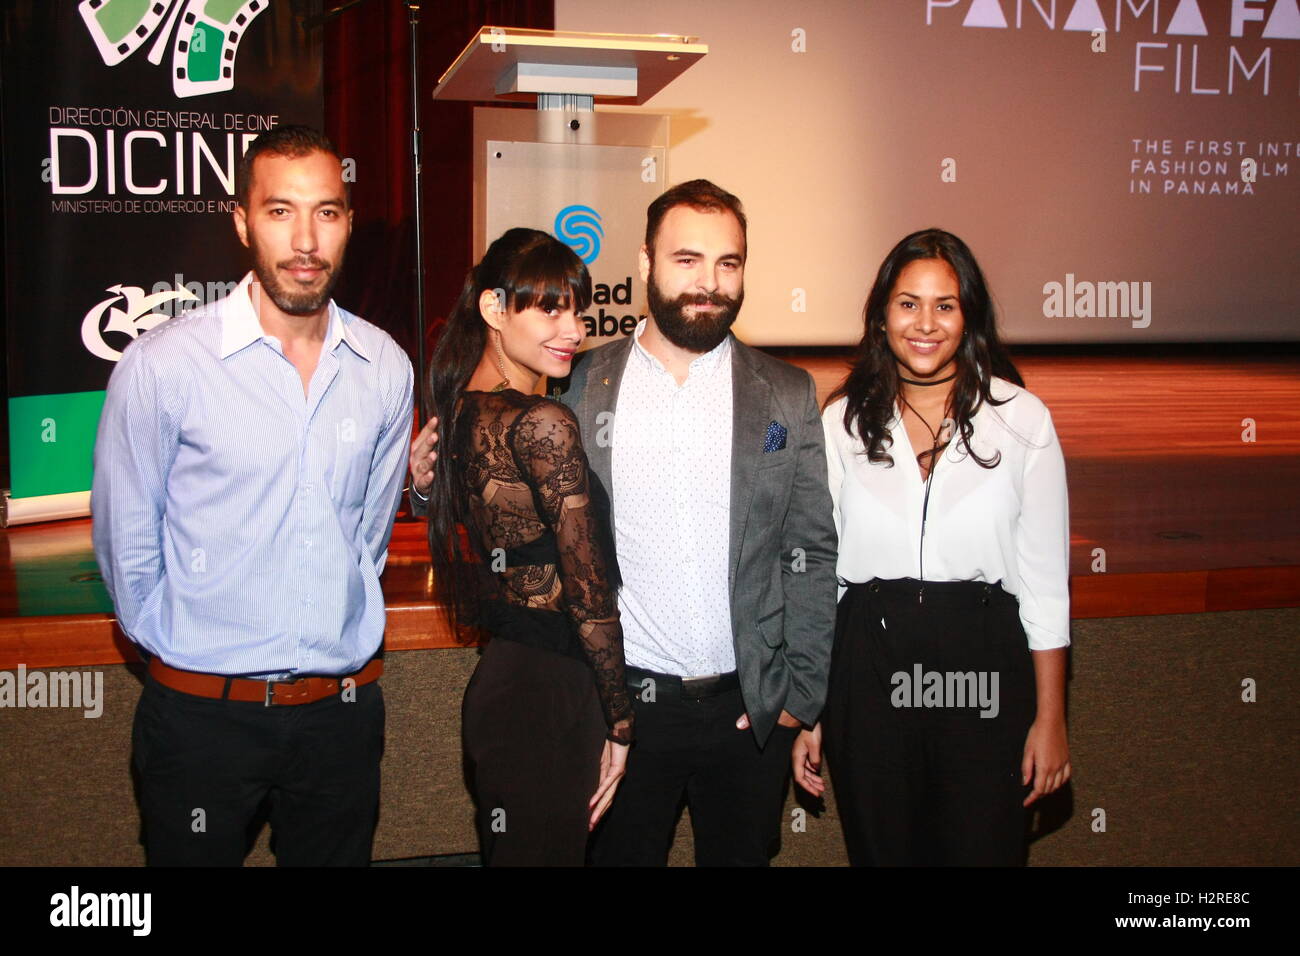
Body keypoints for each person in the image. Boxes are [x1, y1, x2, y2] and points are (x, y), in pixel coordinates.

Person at [411, 180, 838, 866]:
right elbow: (503, 499)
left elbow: (811, 550)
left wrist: (802, 696)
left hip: (748, 713)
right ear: (645, 263)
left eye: (728, 263)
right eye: (687, 259)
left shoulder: (786, 393)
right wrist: (428, 486)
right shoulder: (574, 383)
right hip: (620, 706)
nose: (709, 282)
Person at [92, 125, 414, 866]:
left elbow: (363, 540)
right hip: (201, 721)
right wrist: (192, 667)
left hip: (340, 720)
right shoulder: (163, 367)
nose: (305, 239)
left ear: (348, 223)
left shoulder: (384, 368)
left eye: (327, 212)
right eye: (279, 211)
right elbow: (125, 546)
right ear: (242, 222)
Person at [796, 228, 1071, 866]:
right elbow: (822, 578)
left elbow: (1047, 585)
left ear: (969, 315)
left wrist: (1051, 719)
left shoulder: (1023, 419)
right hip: (868, 668)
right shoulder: (839, 423)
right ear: (881, 316)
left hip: (983, 668)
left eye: (945, 304)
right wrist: (809, 710)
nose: (925, 323)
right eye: (907, 303)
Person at [423, 227, 633, 866]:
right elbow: (588, 591)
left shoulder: (460, 410)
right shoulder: (544, 421)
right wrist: (621, 719)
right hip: (553, 694)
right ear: (493, 309)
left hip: (507, 685)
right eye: (549, 307)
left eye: (577, 308)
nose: (573, 327)